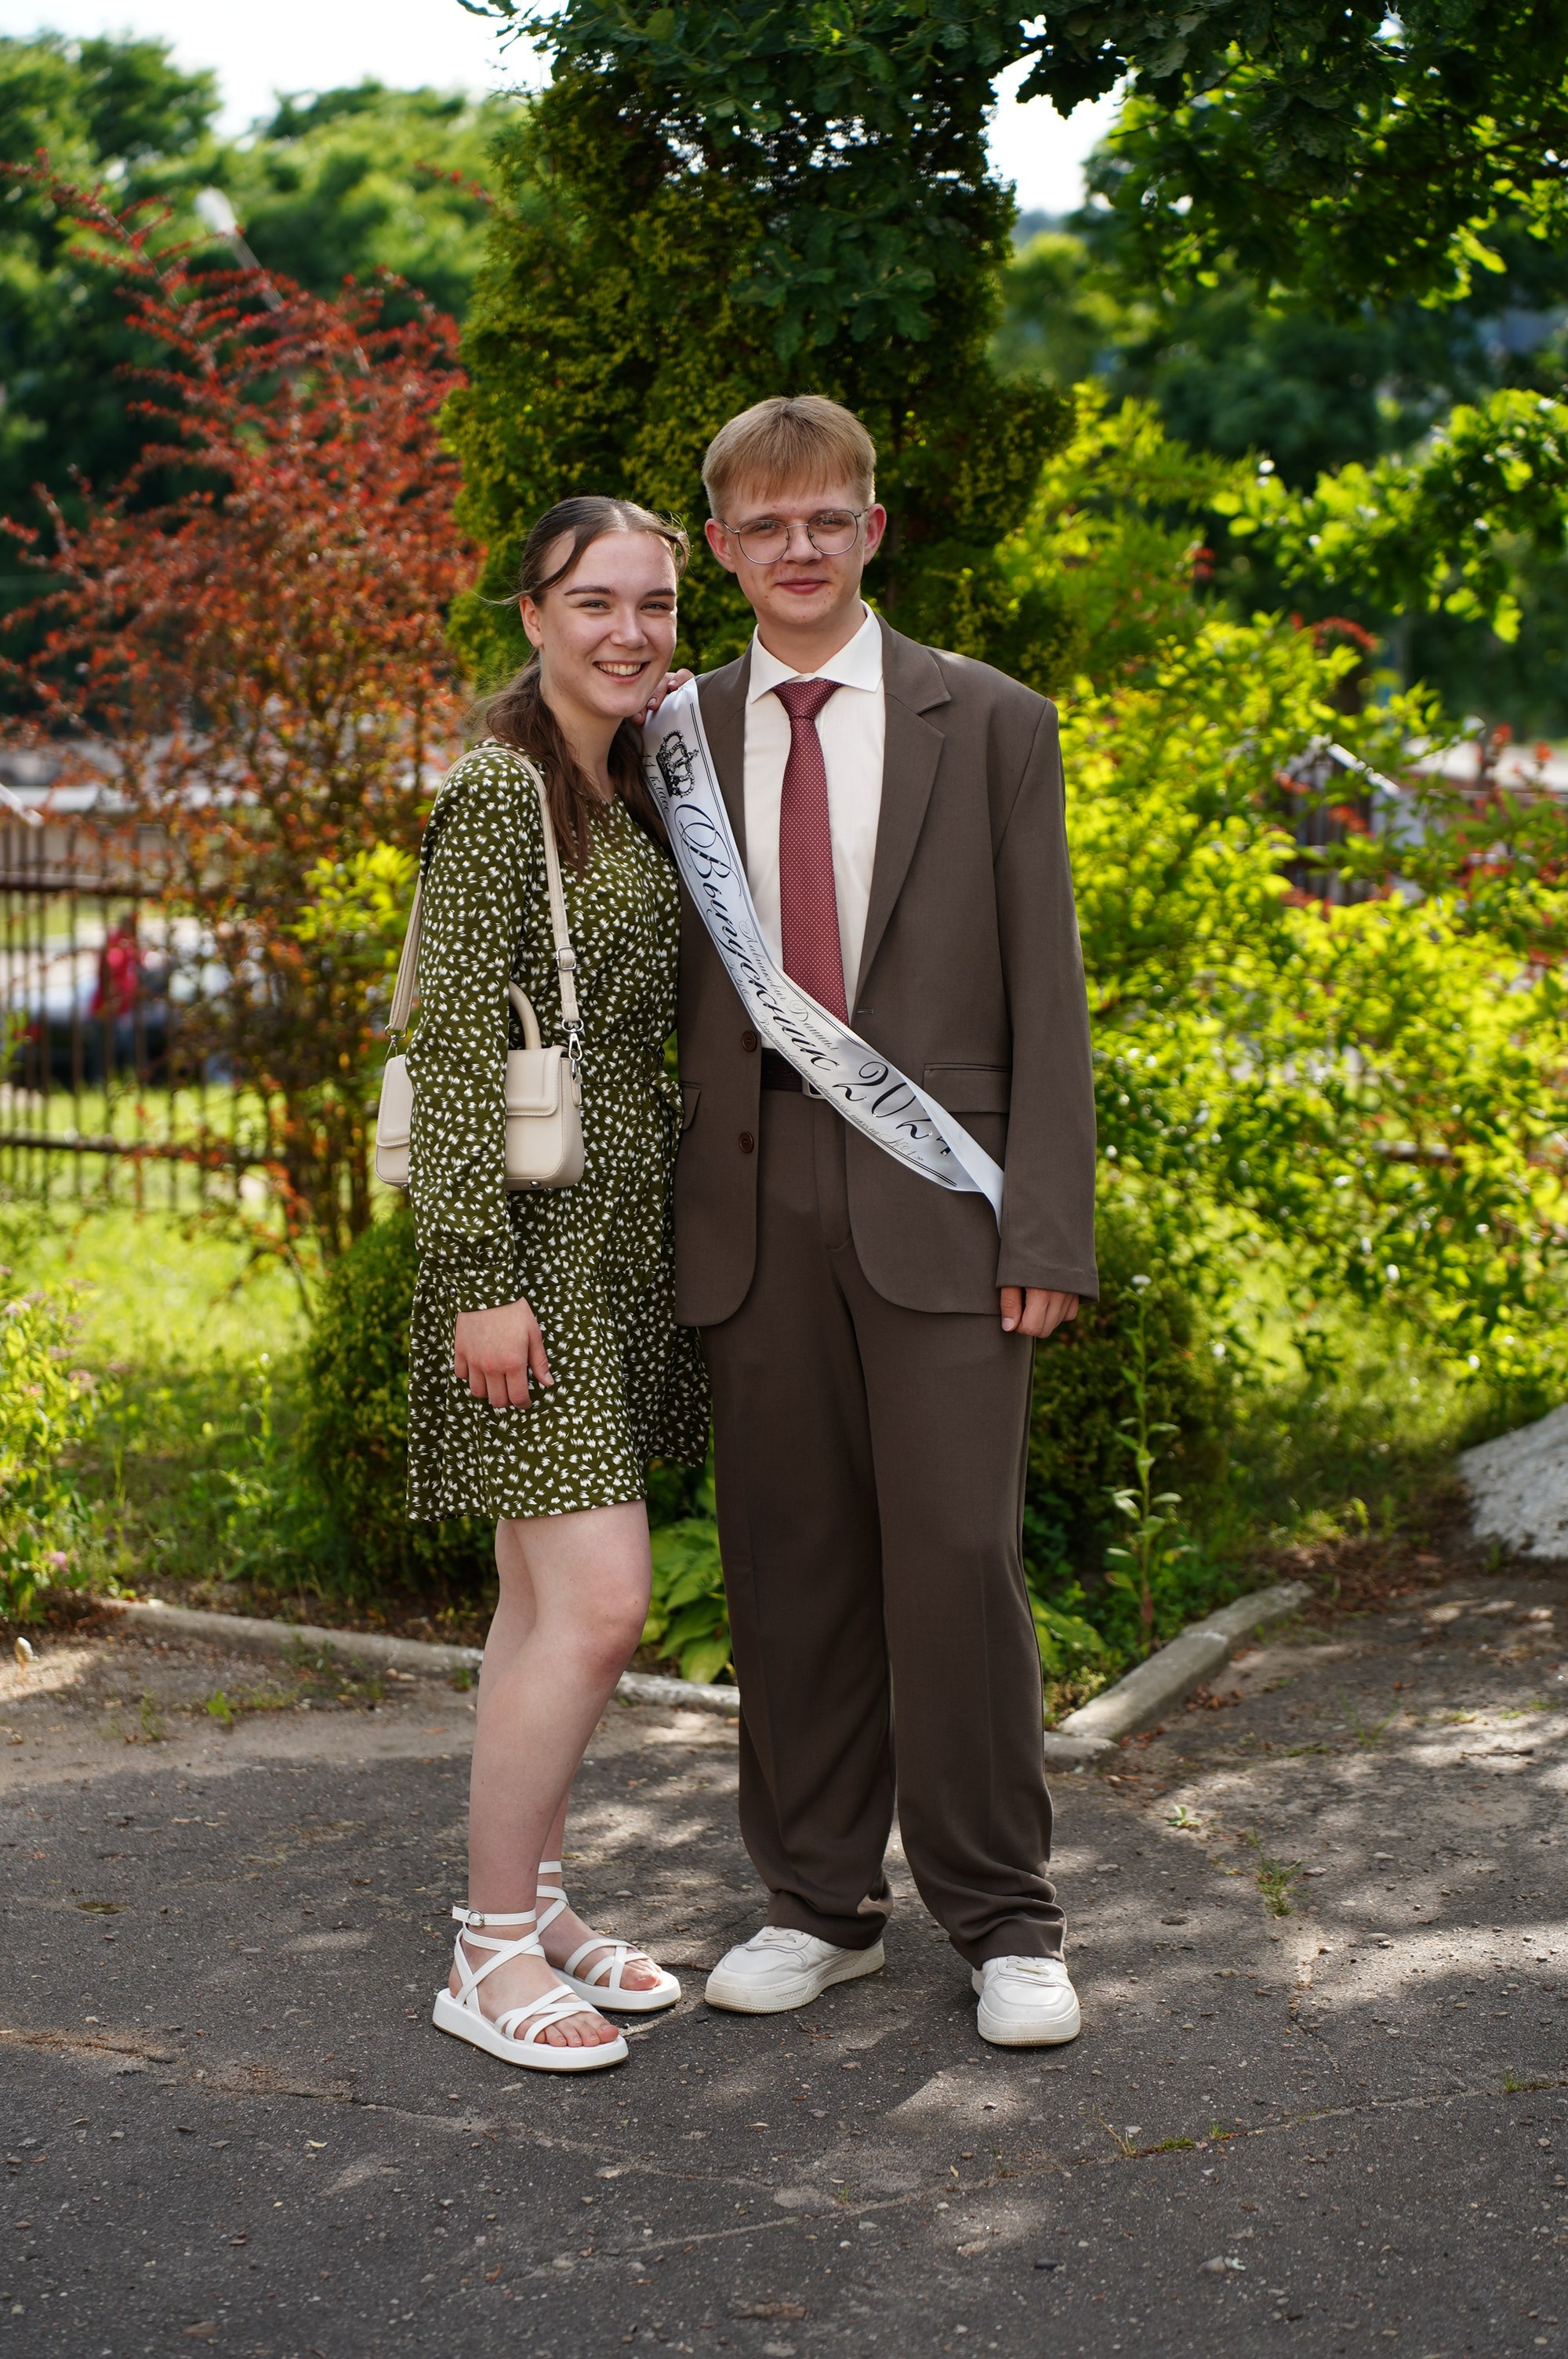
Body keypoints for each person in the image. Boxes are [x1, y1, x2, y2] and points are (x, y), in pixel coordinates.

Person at [670, 395, 1098, 2048]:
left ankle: (1005, 1918)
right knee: (788, 1572)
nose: (797, 547)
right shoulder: (676, 736)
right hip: (751, 1212)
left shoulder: (986, 720)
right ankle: (818, 1903)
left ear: (872, 527)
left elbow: (1047, 997)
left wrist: (1044, 1230)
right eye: (764, 523)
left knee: (953, 1561)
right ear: (720, 545)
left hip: (943, 1200)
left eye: (826, 517)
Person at [405, 495, 709, 2072]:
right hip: (524, 1256)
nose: (630, 632)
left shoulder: (637, 780)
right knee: (598, 1606)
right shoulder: (496, 790)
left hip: (610, 1250)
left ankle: (534, 1900)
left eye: (654, 603)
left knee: (536, 1608)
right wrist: (475, 1276)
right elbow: (451, 1043)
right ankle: (484, 1951)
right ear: (532, 615)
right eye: (594, 602)